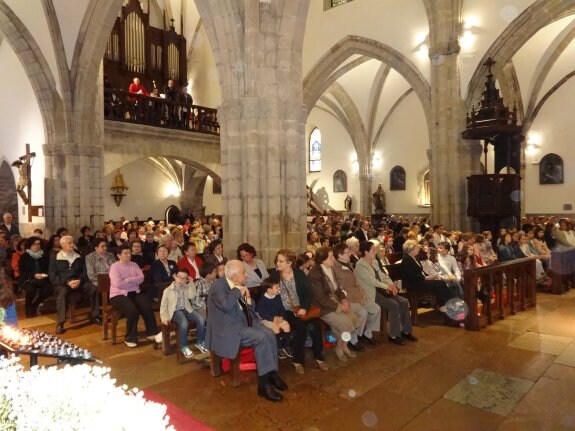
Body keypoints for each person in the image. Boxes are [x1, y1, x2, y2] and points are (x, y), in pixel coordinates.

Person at [205, 260, 288, 402]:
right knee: (261, 338)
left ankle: (271, 373)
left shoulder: (237, 284)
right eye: (244, 273)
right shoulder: (218, 287)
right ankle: (264, 386)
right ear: (235, 275)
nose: (247, 276)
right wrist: (238, 291)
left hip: (242, 321)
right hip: (227, 329)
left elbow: (248, 309)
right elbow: (226, 305)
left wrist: (248, 299)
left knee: (269, 333)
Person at [269, 249, 327, 375]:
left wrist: (304, 308)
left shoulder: (299, 274)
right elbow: (268, 296)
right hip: (285, 311)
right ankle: (298, 361)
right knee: (300, 328)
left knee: (316, 325)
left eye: (280, 261)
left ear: (289, 263)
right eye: (277, 260)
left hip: (301, 307)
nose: (277, 263)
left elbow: (308, 294)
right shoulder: (274, 276)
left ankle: (319, 358)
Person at [308, 247, 364, 361]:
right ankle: (339, 347)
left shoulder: (330, 269)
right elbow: (320, 298)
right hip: (322, 307)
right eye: (331, 257)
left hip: (335, 302)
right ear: (323, 260)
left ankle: (344, 345)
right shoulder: (315, 274)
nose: (334, 259)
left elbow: (337, 289)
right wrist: (339, 307)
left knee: (354, 320)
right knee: (346, 324)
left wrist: (343, 300)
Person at [356, 241, 416, 345]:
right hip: (372, 292)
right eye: (372, 250)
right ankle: (394, 334)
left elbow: (383, 276)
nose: (375, 251)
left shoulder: (374, 262)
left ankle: (406, 330)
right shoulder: (360, 265)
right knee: (393, 305)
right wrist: (387, 286)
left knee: (404, 301)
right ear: (365, 252)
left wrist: (391, 285)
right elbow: (372, 281)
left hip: (382, 289)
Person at [109, 245, 162, 348]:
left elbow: (141, 278)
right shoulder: (114, 267)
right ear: (118, 255)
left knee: (146, 305)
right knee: (132, 310)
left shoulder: (134, 264)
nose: (129, 255)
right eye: (125, 253)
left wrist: (128, 280)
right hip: (118, 294)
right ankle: (130, 338)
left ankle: (152, 332)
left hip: (134, 292)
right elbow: (118, 284)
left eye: (129, 253)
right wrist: (133, 280)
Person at [49, 235, 100, 334]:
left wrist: (80, 280)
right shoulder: (55, 257)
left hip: (78, 282)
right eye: (70, 243)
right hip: (63, 284)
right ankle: (61, 322)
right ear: (63, 245)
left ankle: (95, 315)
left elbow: (85, 272)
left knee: (94, 288)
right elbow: (53, 275)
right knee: (62, 293)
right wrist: (68, 282)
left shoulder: (79, 256)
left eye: (73, 242)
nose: (72, 245)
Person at [160, 267, 207, 358]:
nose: (181, 279)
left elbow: (191, 296)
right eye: (179, 277)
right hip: (175, 311)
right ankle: (183, 346)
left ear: (186, 279)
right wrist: (164, 318)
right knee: (184, 323)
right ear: (175, 276)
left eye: (184, 278)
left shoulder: (186, 287)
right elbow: (163, 306)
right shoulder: (168, 290)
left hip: (187, 309)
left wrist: (191, 283)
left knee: (201, 319)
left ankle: (200, 342)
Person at [401, 239, 456, 314]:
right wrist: (425, 277)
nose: (418, 249)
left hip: (419, 282)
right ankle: (444, 305)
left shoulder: (414, 258)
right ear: (412, 249)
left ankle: (447, 304)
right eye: (417, 248)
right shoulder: (406, 259)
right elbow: (410, 276)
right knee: (439, 284)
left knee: (440, 283)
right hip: (413, 285)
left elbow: (420, 272)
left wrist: (429, 276)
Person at [255, 277, 292, 359]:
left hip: (277, 318)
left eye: (279, 287)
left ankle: (287, 346)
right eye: (277, 287)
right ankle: (278, 348)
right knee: (275, 328)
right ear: (269, 290)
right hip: (266, 320)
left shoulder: (277, 297)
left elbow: (282, 309)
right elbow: (261, 313)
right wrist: (272, 319)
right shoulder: (262, 300)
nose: (279, 289)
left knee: (286, 325)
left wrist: (281, 317)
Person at [19, 236, 52, 317]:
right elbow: (22, 271)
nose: (36, 246)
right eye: (34, 244)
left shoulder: (44, 255)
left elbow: (48, 268)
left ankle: (34, 304)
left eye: (38, 244)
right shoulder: (25, 256)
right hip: (28, 279)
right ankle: (28, 308)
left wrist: (44, 275)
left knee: (49, 289)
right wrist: (34, 275)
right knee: (31, 290)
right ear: (29, 245)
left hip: (42, 278)